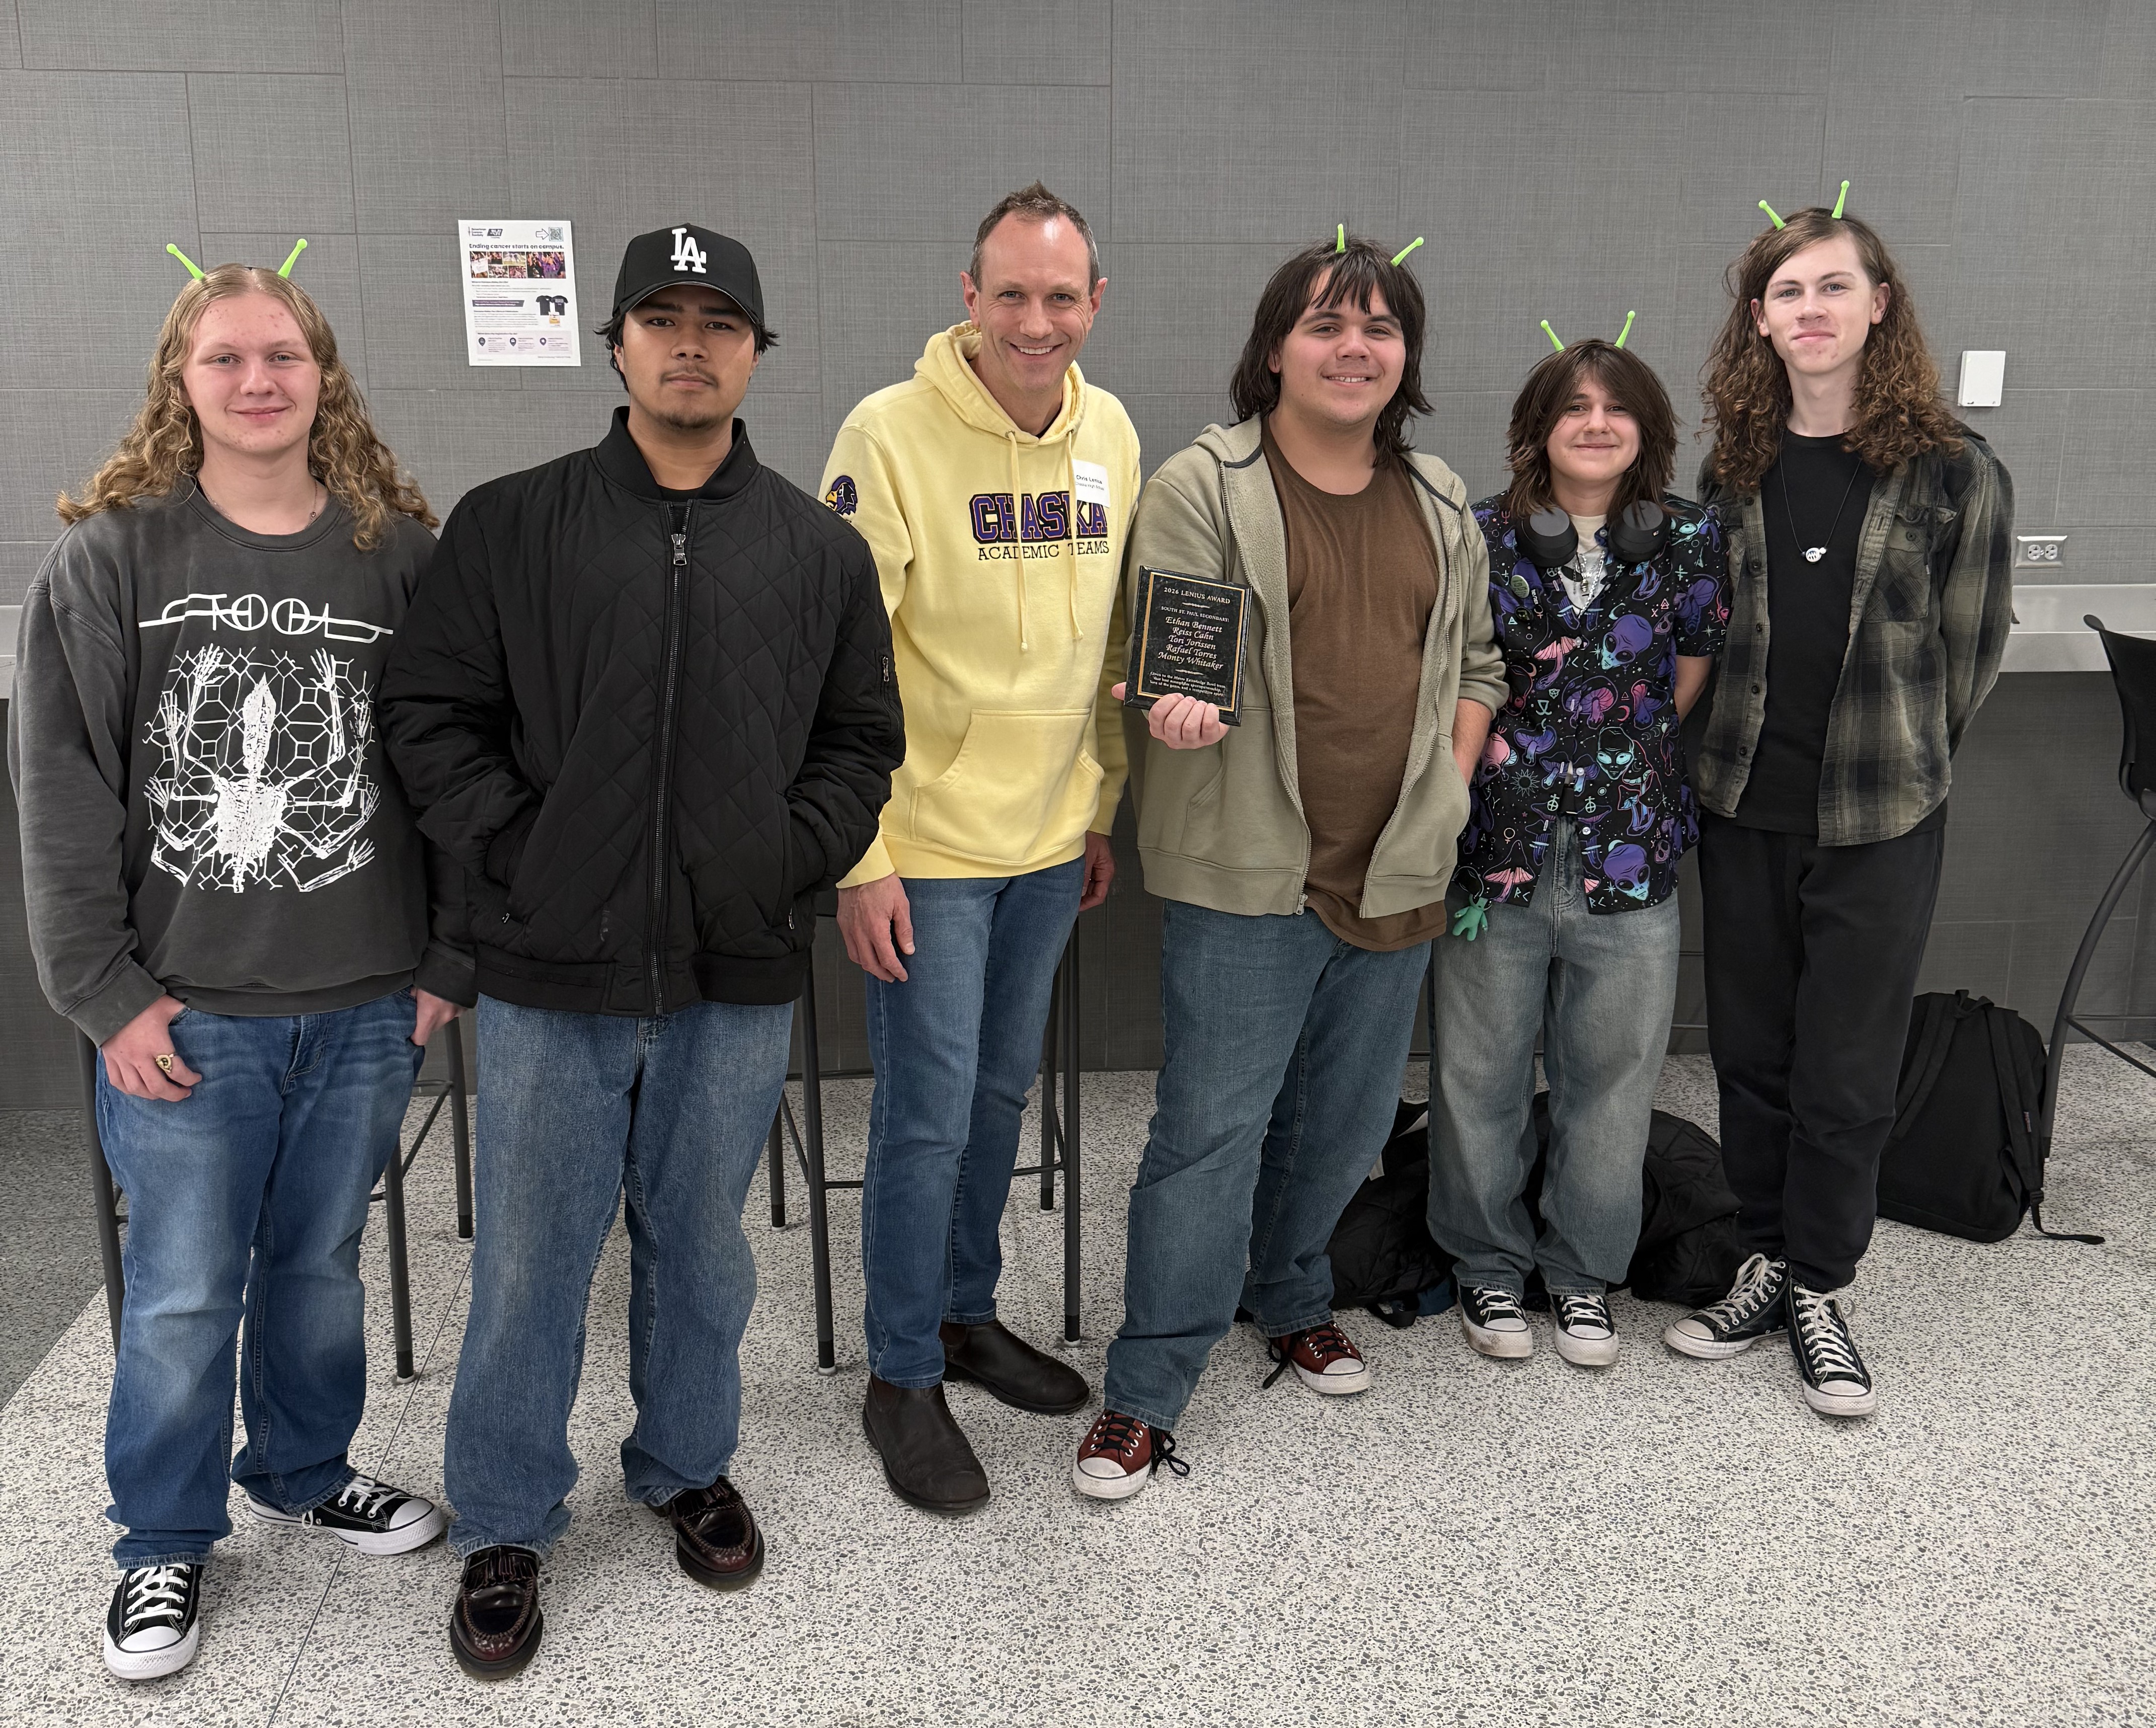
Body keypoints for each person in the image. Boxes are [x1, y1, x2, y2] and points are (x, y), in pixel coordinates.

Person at [380, 225, 903, 1678]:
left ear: (756, 352)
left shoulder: (816, 547)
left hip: (732, 971)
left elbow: (862, 742)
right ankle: (503, 1514)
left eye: (720, 320)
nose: (690, 343)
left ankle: (683, 1464)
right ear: (612, 343)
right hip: (553, 969)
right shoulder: (512, 522)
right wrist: (527, 851)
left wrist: (784, 856)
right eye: (661, 317)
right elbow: (430, 714)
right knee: (535, 1257)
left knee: (704, 1247)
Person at [11, 251, 458, 1681]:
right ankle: (160, 1539)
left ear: (322, 373)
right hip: (186, 1011)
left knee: (319, 1267)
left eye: (284, 355)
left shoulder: (396, 552)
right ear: (181, 382)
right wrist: (102, 991)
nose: (258, 380)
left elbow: (451, 762)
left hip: (365, 1000)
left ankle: (307, 1467)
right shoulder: (117, 553)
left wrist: (446, 955)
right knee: (188, 1288)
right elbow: (63, 780)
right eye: (227, 359)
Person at [1070, 232, 1508, 1502]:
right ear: (1276, 348)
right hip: (1250, 873)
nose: (1353, 347)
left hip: (1400, 865)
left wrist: (1454, 775)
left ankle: (1291, 1293)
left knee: (1353, 1121)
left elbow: (1479, 664)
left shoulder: (1437, 498)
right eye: (1325, 324)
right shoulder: (1204, 484)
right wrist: (1173, 714)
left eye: (1378, 328)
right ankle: (1148, 1386)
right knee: (1210, 1133)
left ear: (1405, 357)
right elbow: (1178, 656)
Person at [1664, 192, 2013, 1417]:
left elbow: (1969, 660)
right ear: (1760, 321)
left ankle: (1821, 1282)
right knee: (1753, 1053)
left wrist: (1901, 760)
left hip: (1880, 814)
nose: (1811, 310)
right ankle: (1764, 1254)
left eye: (1833, 287)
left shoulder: (1957, 471)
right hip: (1743, 801)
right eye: (1787, 292)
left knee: (1848, 1069)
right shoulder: (1737, 468)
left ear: (1879, 305)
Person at [819, 183, 1140, 1514]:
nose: (1034, 320)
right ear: (968, 296)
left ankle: (961, 1313)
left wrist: (1101, 803)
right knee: (924, 1114)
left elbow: (1115, 641)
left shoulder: (1111, 433)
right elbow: (834, 663)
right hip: (929, 845)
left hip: (1048, 839)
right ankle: (898, 1374)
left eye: (1060, 297)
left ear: (1093, 304)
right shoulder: (887, 437)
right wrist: (861, 858)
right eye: (1009, 293)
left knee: (997, 1099)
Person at [1427, 331, 1728, 1368]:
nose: (1596, 424)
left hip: (1631, 850)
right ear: (1538, 430)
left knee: (1614, 1076)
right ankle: (1486, 1264)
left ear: (1645, 429)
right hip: (1497, 845)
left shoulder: (1689, 538)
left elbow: (1689, 671)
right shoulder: (1479, 535)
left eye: (1617, 408)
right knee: (1480, 1069)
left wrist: (1610, 756)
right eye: (1574, 407)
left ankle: (1584, 1271)